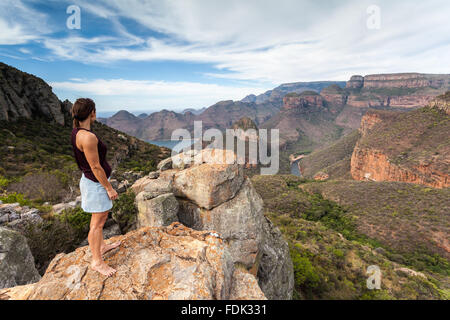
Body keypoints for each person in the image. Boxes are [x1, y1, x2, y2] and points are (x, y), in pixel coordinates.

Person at [70, 98, 120, 277]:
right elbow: (96, 167)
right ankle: (97, 262)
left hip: (91, 181)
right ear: (92, 113)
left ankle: (102, 246)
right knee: (97, 224)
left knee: (100, 218)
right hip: (96, 183)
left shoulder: (77, 132)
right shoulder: (88, 137)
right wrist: (108, 188)